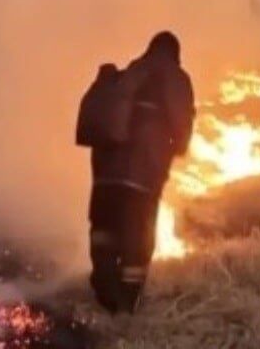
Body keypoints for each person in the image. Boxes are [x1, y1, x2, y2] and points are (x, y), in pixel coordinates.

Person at [86, 31, 195, 314]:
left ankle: (103, 287)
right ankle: (126, 301)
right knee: (138, 237)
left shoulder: (127, 75)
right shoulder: (175, 77)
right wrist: (176, 150)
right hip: (142, 175)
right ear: (174, 53)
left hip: (106, 175)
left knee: (105, 231)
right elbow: (182, 123)